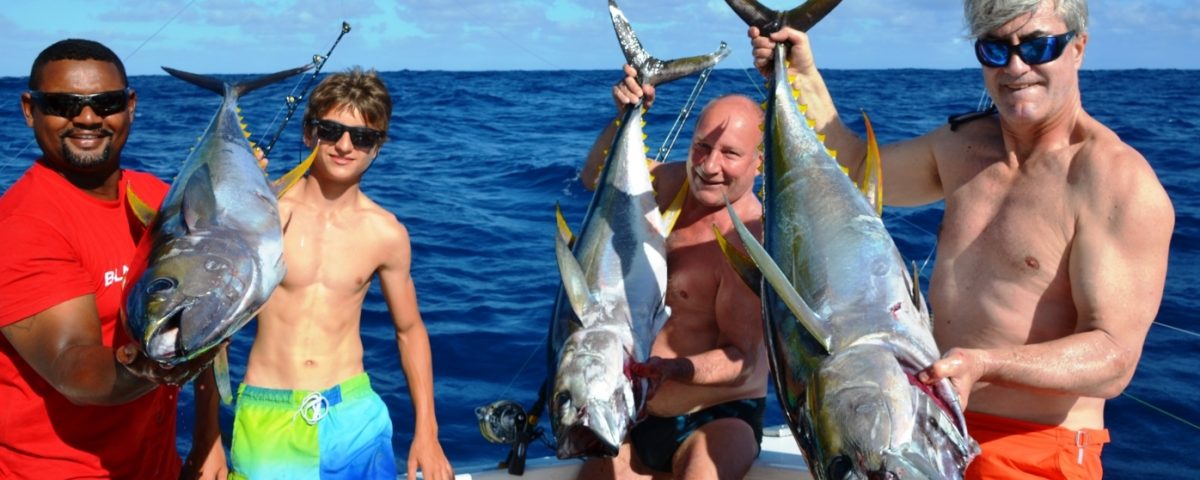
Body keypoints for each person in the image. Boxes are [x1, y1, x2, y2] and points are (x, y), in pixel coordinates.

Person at [749, 0, 1173, 477]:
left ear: (1078, 46)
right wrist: (799, 73)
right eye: (995, 49)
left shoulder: (1115, 181)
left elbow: (1114, 357)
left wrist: (982, 364)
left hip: (1032, 450)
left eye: (1038, 46)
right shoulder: (960, 148)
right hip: (916, 424)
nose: (1016, 67)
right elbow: (851, 173)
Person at [0, 39, 224, 479]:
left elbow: (214, 325)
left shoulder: (160, 200)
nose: (87, 117)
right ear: (29, 109)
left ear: (130, 106)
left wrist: (207, 438)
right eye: (63, 104)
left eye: (106, 103)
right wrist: (157, 362)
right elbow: (72, 367)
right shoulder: (20, 226)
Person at [220, 68, 453, 480]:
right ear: (309, 134)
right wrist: (207, 439)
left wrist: (427, 433)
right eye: (331, 130)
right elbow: (214, 332)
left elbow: (410, 331)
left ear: (378, 147)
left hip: (355, 413)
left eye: (363, 137)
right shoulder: (263, 215)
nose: (345, 146)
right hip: (269, 414)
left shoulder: (386, 232)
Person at [576, 65, 770, 480]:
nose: (709, 165)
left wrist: (673, 370)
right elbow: (594, 178)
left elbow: (742, 359)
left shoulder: (750, 242)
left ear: (759, 160)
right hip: (636, 412)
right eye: (701, 147)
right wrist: (622, 116)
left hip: (717, 416)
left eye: (730, 154)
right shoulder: (667, 183)